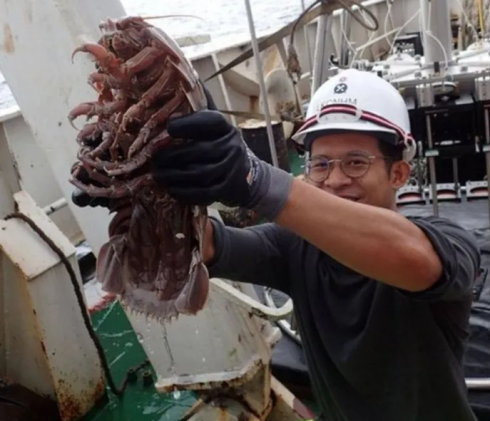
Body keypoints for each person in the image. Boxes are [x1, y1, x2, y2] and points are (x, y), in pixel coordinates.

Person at [72, 69, 481, 421]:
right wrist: (143, 185)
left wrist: (257, 180)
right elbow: (208, 245)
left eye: (356, 162)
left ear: (399, 174)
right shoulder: (293, 246)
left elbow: (417, 261)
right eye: (321, 164)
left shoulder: (450, 243)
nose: (335, 180)